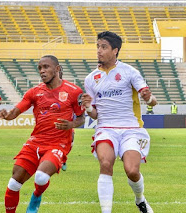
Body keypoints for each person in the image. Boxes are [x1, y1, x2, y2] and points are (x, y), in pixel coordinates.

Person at [81, 31, 156, 213]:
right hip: (106, 129)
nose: (99, 51)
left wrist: (149, 98)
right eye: (98, 46)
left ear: (115, 50)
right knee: (106, 164)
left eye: (104, 47)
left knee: (131, 170)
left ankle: (140, 199)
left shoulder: (129, 72)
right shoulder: (90, 79)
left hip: (131, 129)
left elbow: (151, 100)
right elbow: (95, 115)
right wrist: (89, 108)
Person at [0, 55, 85, 213]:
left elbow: (81, 118)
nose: (42, 71)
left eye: (46, 67)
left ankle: (36, 196)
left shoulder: (74, 91)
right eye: (40, 68)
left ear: (57, 69)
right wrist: (7, 115)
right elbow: (16, 112)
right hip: (35, 141)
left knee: (41, 177)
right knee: (13, 183)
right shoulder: (35, 92)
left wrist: (71, 124)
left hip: (58, 144)